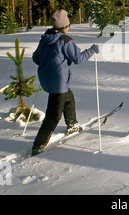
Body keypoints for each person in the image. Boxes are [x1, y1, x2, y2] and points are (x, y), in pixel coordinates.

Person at [31, 9, 99, 156]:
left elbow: (36, 59)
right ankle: (38, 144)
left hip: (46, 79)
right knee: (53, 115)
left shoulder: (44, 39)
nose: (69, 28)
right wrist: (92, 50)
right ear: (64, 26)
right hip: (58, 81)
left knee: (69, 98)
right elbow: (79, 59)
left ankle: (72, 124)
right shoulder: (65, 40)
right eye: (68, 25)